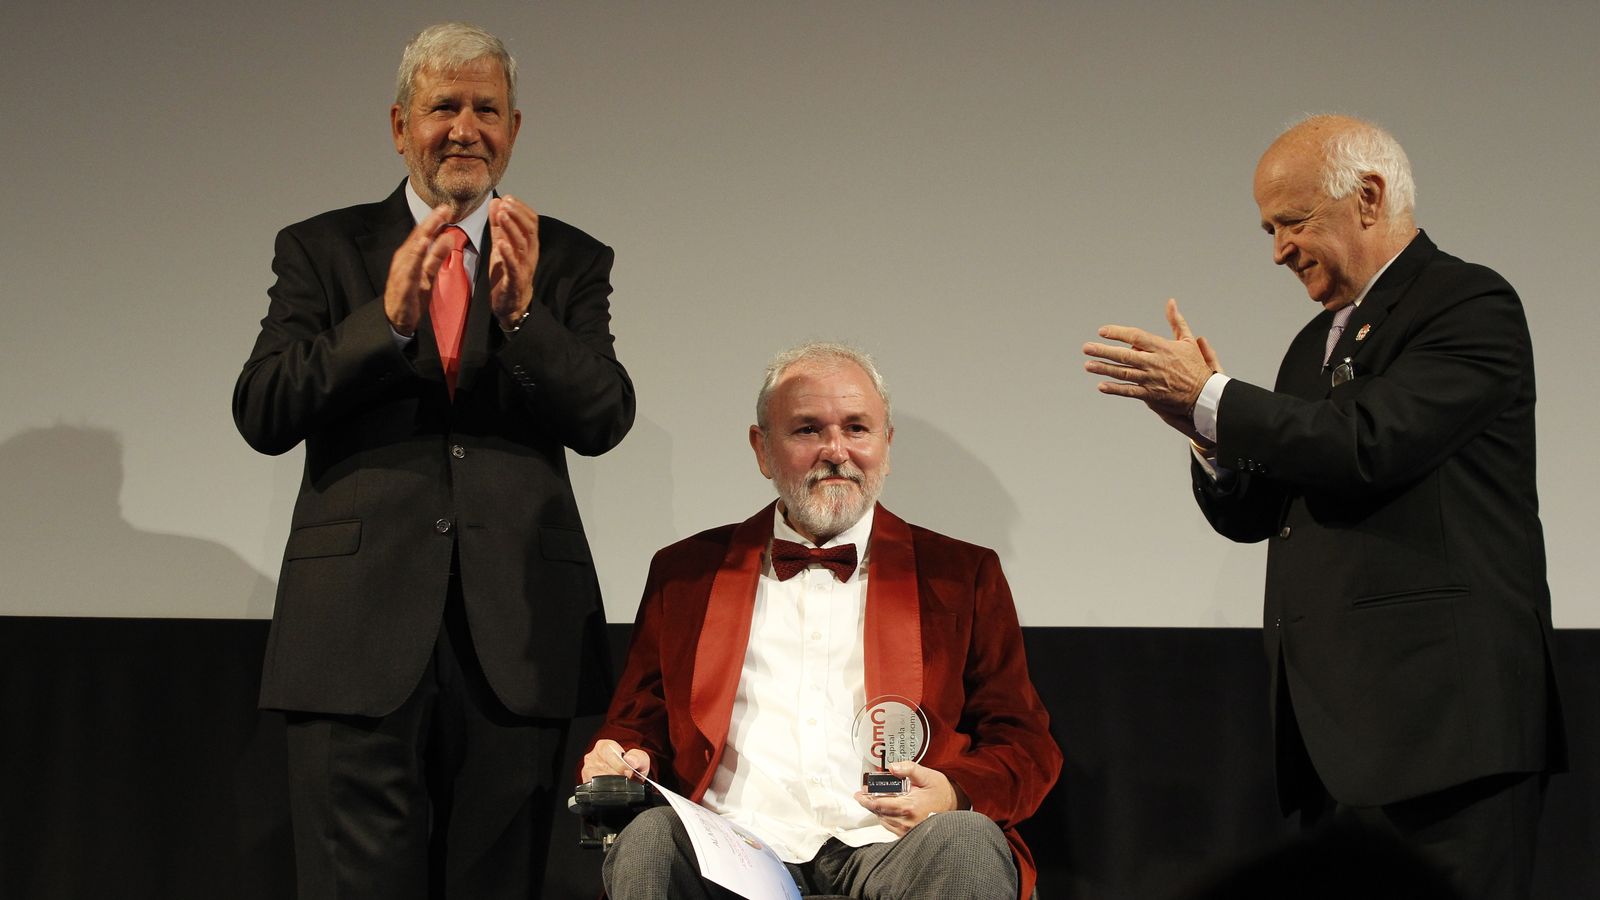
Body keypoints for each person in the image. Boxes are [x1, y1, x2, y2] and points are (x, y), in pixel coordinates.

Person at [1081, 114, 1564, 899]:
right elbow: (1255, 512)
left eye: (1293, 221)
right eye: (1269, 227)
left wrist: (1217, 398)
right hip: (1339, 735)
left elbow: (1369, 444)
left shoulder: (1468, 303)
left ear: (1368, 198)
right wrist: (1204, 433)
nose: (1277, 248)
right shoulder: (1313, 346)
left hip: (1447, 730)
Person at [232, 22, 634, 899]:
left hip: (517, 637)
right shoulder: (322, 248)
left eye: (485, 108)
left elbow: (605, 416)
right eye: (442, 106)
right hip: (353, 640)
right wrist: (386, 323)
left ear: (515, 128)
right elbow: (263, 410)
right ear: (398, 124)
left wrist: (527, 322)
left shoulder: (564, 258)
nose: (464, 127)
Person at [579, 342, 1060, 899]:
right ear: (762, 450)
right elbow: (641, 723)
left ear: (887, 443)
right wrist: (624, 753)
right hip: (735, 846)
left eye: (857, 428)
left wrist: (953, 792)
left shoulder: (962, 573)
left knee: (966, 839)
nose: (836, 451)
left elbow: (1025, 743)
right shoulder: (685, 572)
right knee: (650, 840)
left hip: (894, 848)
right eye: (808, 430)